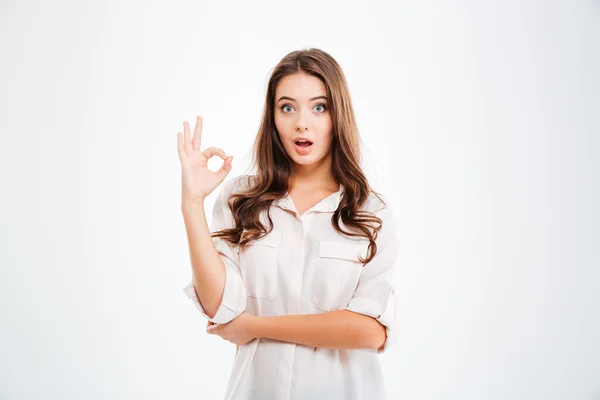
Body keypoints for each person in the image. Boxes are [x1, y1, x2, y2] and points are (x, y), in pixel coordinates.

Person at [177, 48, 400, 400]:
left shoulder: (370, 211)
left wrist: (255, 327)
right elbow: (220, 306)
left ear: (337, 115)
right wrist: (192, 202)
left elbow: (370, 331)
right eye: (287, 107)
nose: (302, 122)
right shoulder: (240, 200)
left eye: (319, 107)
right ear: (273, 117)